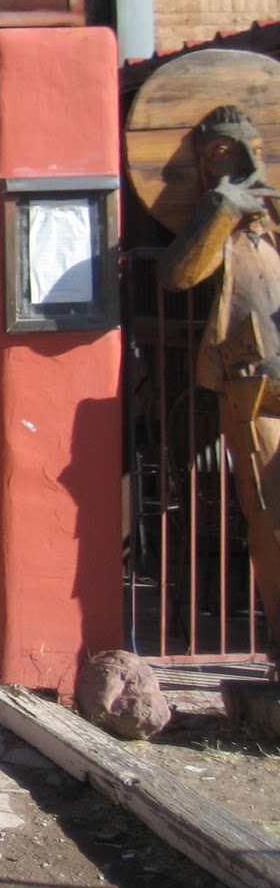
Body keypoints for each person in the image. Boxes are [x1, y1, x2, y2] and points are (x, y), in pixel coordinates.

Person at [159, 103, 280, 669]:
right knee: (271, 512)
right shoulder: (222, 218)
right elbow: (179, 273)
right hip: (252, 381)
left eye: (250, 147)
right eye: (224, 153)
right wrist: (221, 212)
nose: (248, 162)